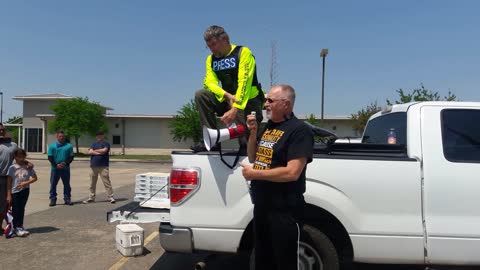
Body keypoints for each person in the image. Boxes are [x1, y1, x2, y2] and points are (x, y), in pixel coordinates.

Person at [239, 84, 314, 270]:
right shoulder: (269, 127)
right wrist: (254, 132)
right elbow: (253, 157)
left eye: (270, 100)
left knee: (283, 263)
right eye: (266, 100)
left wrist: (255, 174)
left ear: (286, 104)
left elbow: (292, 172)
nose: (266, 104)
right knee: (263, 261)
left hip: (284, 212)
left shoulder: (299, 130)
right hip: (262, 208)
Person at [193, 25, 264, 152]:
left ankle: (246, 143)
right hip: (228, 100)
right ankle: (211, 141)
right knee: (201, 94)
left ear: (225, 39)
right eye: (208, 46)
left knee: (247, 145)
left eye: (214, 44)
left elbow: (244, 83)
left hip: (248, 102)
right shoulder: (211, 59)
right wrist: (226, 95)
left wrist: (235, 108)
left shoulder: (243, 52)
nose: (212, 49)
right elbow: (209, 83)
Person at [7, 148, 37, 237]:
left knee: (21, 208)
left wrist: (25, 183)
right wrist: (8, 195)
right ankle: (16, 227)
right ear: (15, 157)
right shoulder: (12, 168)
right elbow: (9, 182)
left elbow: (35, 178)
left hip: (25, 190)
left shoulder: (28, 167)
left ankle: (20, 226)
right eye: (19, 157)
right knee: (15, 209)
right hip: (14, 191)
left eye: (23, 157)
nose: (21, 159)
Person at [83, 131, 115, 204]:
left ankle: (111, 197)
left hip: (103, 166)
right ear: (96, 136)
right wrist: (99, 152)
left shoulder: (106, 143)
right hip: (93, 166)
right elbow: (90, 152)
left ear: (103, 136)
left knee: (106, 182)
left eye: (100, 135)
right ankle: (91, 197)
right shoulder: (93, 144)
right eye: (97, 135)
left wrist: (95, 151)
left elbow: (105, 150)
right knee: (92, 183)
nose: (99, 137)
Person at [47, 130, 74, 206]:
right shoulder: (52, 146)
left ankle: (67, 199)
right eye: (60, 136)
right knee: (53, 184)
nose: (61, 138)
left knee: (66, 184)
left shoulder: (69, 146)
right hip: (55, 169)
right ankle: (53, 199)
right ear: (57, 137)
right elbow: (50, 157)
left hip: (65, 169)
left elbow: (71, 157)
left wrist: (65, 163)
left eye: (63, 136)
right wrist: (56, 165)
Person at [0, 123, 17, 234]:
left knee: (4, 204)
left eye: (2, 129)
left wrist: (27, 163)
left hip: (5, 178)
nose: (1, 131)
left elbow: (19, 157)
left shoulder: (13, 145)